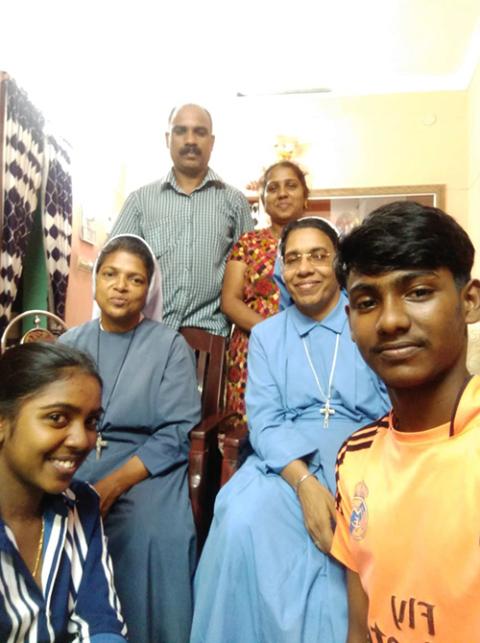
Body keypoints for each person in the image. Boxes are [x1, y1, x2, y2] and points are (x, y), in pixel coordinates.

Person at [191, 217, 390, 643]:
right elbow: (263, 419)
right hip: (283, 463)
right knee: (239, 519)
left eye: (318, 256)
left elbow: (394, 407)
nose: (305, 268)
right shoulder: (267, 335)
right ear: (282, 269)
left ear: (338, 263)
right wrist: (302, 481)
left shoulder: (367, 323)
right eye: (294, 258)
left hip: (365, 458)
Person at [331, 201, 480, 643]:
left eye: (418, 292)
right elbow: (360, 626)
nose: (391, 321)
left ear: (469, 301)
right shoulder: (355, 457)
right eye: (367, 301)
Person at [59, 234, 201, 643]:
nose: (121, 287)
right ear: (97, 280)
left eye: (135, 279)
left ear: (149, 288)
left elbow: (175, 432)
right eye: (111, 275)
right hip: (77, 455)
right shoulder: (70, 343)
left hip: (146, 466)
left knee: (154, 531)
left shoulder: (170, 345)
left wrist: (114, 484)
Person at [0, 342, 127, 642]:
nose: (82, 440)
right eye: (57, 418)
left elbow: (100, 622)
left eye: (92, 421)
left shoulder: (79, 505)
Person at [110, 103, 253, 336]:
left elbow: (248, 280)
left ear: (212, 142)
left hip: (209, 341)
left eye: (200, 132)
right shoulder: (141, 201)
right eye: (180, 131)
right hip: (145, 334)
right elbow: (112, 267)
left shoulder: (235, 202)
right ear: (168, 139)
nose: (190, 141)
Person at [221, 161, 308, 416]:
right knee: (249, 432)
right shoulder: (248, 243)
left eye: (291, 186)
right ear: (263, 200)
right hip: (253, 346)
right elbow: (229, 301)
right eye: (273, 188)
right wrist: (273, 334)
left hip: (309, 347)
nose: (282, 193)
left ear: (305, 197)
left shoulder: (322, 242)